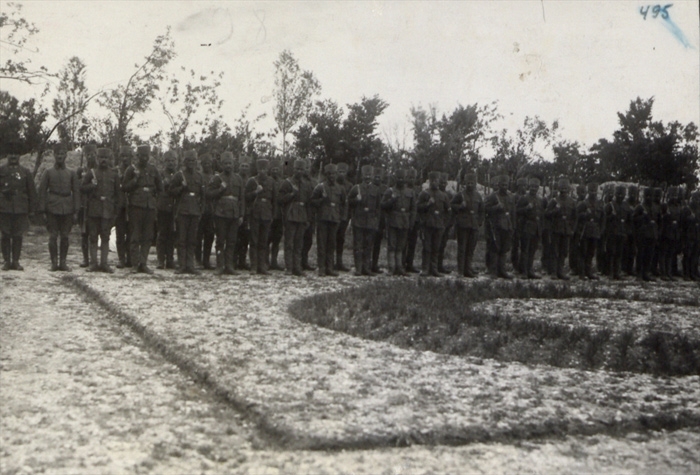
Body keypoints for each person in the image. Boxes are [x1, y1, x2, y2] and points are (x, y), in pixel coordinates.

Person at [38, 146, 80, 271]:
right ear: (54, 155)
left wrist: (76, 211)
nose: (60, 156)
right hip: (52, 207)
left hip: (67, 208)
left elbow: (76, 192)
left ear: (66, 155)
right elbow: (42, 191)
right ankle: (54, 263)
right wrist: (42, 210)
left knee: (65, 236)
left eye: (62, 154)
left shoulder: (71, 173)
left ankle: (63, 262)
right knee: (53, 236)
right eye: (57, 154)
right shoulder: (48, 172)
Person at [122, 144, 162, 274]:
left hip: (149, 206)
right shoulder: (131, 169)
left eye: (146, 155)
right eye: (141, 156)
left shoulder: (153, 170)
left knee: (148, 236)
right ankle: (135, 264)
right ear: (137, 156)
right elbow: (125, 187)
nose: (144, 158)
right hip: (136, 206)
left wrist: (154, 198)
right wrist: (135, 179)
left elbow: (160, 188)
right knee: (135, 236)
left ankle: (143, 263)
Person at [80, 147, 120, 273]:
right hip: (93, 211)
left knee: (105, 237)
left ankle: (104, 263)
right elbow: (82, 188)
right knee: (93, 237)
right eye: (101, 158)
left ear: (109, 159)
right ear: (97, 159)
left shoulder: (114, 174)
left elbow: (118, 195)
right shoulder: (91, 173)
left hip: (107, 211)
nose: (103, 160)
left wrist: (115, 212)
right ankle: (93, 263)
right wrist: (92, 185)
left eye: (106, 158)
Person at [207, 151, 245, 275]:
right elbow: (209, 194)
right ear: (222, 165)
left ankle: (229, 266)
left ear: (233, 164)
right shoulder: (217, 178)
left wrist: (241, 214)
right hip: (221, 213)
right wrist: (220, 189)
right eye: (226, 163)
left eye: (230, 163)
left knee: (232, 241)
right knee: (220, 240)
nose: (228, 165)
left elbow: (241, 198)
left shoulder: (238, 178)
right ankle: (220, 266)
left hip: (234, 213)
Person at [169, 150, 204, 275]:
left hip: (194, 211)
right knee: (182, 239)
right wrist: (181, 188)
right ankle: (182, 265)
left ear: (196, 162)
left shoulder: (199, 176)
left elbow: (202, 196)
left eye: (193, 161)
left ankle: (190, 265)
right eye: (188, 160)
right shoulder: (179, 175)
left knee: (192, 240)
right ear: (184, 162)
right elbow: (171, 191)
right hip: (182, 211)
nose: (191, 163)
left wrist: (201, 211)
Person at [0, 154, 37, 270]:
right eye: (10, 154)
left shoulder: (25, 172)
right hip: (4, 207)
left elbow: (32, 192)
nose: (13, 157)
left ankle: (15, 261)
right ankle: (6, 261)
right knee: (5, 234)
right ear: (7, 156)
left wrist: (32, 210)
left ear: (19, 157)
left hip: (20, 208)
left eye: (16, 154)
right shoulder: (1, 170)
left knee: (18, 235)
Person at [278, 158, 313, 276]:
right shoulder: (287, 183)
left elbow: (308, 203)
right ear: (294, 169)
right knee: (289, 243)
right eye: (297, 169)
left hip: (302, 215)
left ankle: (297, 268)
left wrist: (308, 218)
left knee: (299, 243)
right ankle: (289, 268)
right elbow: (280, 199)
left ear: (304, 171)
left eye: (301, 169)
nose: (299, 171)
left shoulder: (307, 184)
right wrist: (292, 194)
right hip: (291, 214)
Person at [310, 163, 345, 276]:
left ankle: (330, 268)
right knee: (322, 244)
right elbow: (312, 201)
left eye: (334, 174)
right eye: (329, 174)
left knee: (331, 244)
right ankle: (322, 268)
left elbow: (343, 204)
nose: (332, 176)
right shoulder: (320, 187)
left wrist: (341, 217)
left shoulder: (340, 188)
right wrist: (321, 200)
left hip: (334, 219)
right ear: (326, 174)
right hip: (323, 219)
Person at [381, 168, 416, 276]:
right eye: (399, 178)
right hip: (393, 221)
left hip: (405, 221)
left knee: (401, 246)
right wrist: (392, 200)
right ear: (395, 179)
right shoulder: (390, 191)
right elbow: (383, 205)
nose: (401, 180)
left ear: (405, 179)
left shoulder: (410, 192)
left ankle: (400, 268)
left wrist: (411, 222)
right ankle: (391, 268)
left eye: (403, 178)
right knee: (392, 245)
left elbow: (413, 209)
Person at [348, 165, 381, 276]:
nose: (367, 177)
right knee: (358, 246)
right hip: (359, 221)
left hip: (371, 222)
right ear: (362, 176)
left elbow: (378, 208)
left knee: (368, 246)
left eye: (369, 175)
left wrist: (376, 222)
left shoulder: (376, 190)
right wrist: (356, 200)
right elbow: (348, 202)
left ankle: (366, 268)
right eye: (365, 175)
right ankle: (358, 269)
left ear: (372, 176)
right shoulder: (356, 188)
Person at [451, 171, 484, 278]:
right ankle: (460, 270)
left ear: (475, 183)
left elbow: (482, 210)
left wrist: (479, 222)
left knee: (470, 249)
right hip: (463, 225)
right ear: (465, 183)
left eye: (472, 183)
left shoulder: (478, 196)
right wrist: (460, 206)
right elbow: (452, 205)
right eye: (468, 183)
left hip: (474, 225)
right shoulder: (460, 195)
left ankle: (468, 269)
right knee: (462, 248)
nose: (470, 185)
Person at [246, 158, 276, 274]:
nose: (262, 171)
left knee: (264, 241)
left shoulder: (271, 182)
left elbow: (274, 200)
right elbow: (246, 197)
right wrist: (255, 192)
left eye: (264, 169)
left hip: (267, 214)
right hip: (255, 213)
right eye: (260, 169)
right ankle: (253, 266)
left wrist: (272, 214)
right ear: (257, 169)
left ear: (267, 169)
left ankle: (262, 266)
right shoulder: (252, 181)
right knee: (254, 240)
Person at [416, 171, 450, 277]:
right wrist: (427, 204)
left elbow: (448, 211)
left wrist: (444, 224)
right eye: (433, 181)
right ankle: (425, 269)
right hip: (427, 225)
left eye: (437, 181)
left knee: (436, 247)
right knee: (427, 248)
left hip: (439, 225)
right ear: (430, 181)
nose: (435, 183)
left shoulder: (443, 195)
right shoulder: (424, 193)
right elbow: (418, 208)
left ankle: (434, 269)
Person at [484, 175, 516, 279]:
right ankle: (493, 271)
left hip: (507, 226)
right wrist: (496, 207)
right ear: (498, 185)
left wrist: (513, 226)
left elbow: (513, 212)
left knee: (504, 249)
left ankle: (502, 271)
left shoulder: (510, 197)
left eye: (506, 185)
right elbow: (485, 209)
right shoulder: (493, 196)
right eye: (502, 185)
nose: (504, 187)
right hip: (496, 226)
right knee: (494, 249)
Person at [546, 177, 577, 280]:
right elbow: (547, 214)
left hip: (566, 230)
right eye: (562, 188)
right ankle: (553, 272)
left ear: (568, 189)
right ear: (558, 188)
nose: (564, 190)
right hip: (556, 229)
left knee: (563, 251)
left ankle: (561, 271)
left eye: (566, 188)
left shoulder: (572, 202)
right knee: (554, 251)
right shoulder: (554, 201)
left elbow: (574, 217)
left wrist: (572, 229)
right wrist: (555, 210)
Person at [516, 177, 544, 279]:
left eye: (536, 187)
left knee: (532, 250)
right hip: (526, 227)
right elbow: (517, 211)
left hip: (536, 228)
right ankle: (523, 271)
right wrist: (526, 208)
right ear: (529, 187)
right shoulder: (524, 198)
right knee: (525, 250)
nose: (534, 188)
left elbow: (542, 214)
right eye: (532, 186)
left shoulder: (540, 200)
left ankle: (530, 270)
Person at [576, 182, 605, 280]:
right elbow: (576, 216)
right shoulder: (583, 203)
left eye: (594, 191)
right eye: (591, 191)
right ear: (588, 191)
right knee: (583, 252)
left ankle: (589, 272)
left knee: (591, 252)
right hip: (585, 230)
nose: (593, 193)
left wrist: (601, 230)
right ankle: (581, 273)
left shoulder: (600, 203)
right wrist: (585, 215)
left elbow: (603, 218)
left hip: (595, 231)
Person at [604, 185, 632, 280]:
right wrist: (611, 216)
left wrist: (627, 231)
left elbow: (629, 220)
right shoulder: (610, 205)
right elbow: (604, 219)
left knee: (619, 254)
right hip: (612, 232)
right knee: (611, 252)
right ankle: (610, 272)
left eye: (622, 194)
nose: (620, 196)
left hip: (622, 232)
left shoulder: (626, 205)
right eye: (618, 194)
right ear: (615, 194)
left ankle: (617, 272)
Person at [156, 150, 177, 269]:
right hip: (163, 207)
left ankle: (170, 259)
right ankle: (160, 260)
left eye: (173, 161)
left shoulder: (179, 175)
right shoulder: (160, 175)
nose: (171, 163)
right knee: (162, 234)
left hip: (174, 208)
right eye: (168, 161)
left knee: (172, 234)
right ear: (164, 162)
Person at [633, 187, 660, 282]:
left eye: (650, 196)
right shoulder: (640, 207)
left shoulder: (655, 207)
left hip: (652, 234)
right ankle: (639, 274)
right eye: (647, 196)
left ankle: (646, 273)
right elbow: (634, 220)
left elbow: (659, 220)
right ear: (644, 196)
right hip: (642, 234)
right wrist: (643, 217)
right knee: (641, 255)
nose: (649, 198)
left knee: (649, 255)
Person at [78, 144, 97, 268]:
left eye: (92, 155)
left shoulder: (98, 170)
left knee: (94, 233)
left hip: (94, 205)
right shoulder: (81, 170)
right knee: (84, 234)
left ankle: (94, 259)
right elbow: (78, 187)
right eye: (88, 155)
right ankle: (85, 258)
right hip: (83, 205)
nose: (90, 157)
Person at [196, 153, 216, 270]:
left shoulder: (215, 177)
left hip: (212, 209)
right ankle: (197, 259)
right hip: (200, 209)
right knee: (198, 235)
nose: (207, 165)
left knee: (209, 235)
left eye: (209, 163)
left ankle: (206, 260)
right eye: (205, 164)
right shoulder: (199, 176)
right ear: (202, 165)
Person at [115, 146, 133, 268]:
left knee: (132, 234)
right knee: (120, 234)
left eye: (127, 156)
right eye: (123, 156)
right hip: (119, 206)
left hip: (132, 206)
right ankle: (121, 258)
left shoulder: (134, 171)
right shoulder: (115, 171)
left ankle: (130, 258)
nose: (125, 159)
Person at [659, 186, 682, 281]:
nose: (674, 197)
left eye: (675, 195)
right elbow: (660, 219)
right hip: (665, 233)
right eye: (672, 195)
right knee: (663, 254)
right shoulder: (665, 206)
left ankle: (669, 273)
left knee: (671, 254)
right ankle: (663, 273)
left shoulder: (678, 206)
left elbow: (680, 219)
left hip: (674, 233)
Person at [334, 161, 352, 272]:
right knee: (331, 239)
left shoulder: (349, 185)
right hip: (333, 215)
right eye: (339, 171)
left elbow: (350, 202)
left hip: (344, 216)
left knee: (340, 239)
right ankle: (329, 262)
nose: (341, 174)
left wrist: (348, 216)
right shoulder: (332, 183)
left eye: (343, 172)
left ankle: (339, 262)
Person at [403, 167, 422, 273]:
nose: (411, 180)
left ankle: (409, 264)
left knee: (412, 243)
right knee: (403, 243)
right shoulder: (403, 189)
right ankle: (401, 264)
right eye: (409, 177)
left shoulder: (418, 190)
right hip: (405, 220)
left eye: (413, 178)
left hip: (416, 220)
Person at [267, 158, 285, 271]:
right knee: (267, 239)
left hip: (280, 214)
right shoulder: (267, 181)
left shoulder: (283, 182)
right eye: (273, 169)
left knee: (277, 239)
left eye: (277, 169)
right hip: (268, 214)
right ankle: (265, 261)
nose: (275, 171)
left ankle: (274, 261)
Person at [234, 157, 252, 270]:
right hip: (235, 210)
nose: (244, 168)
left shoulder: (251, 180)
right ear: (239, 166)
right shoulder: (235, 178)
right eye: (242, 166)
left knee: (245, 237)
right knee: (234, 237)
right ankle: (233, 261)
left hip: (247, 211)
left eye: (246, 166)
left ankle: (242, 261)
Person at [436, 172, 454, 274]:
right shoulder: (433, 193)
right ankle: (432, 266)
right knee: (434, 246)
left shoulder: (449, 195)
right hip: (435, 223)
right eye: (441, 183)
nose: (443, 184)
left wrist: (449, 224)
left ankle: (439, 266)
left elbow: (451, 211)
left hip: (444, 224)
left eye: (444, 183)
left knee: (442, 245)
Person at [301, 160, 317, 271]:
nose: (307, 169)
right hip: (301, 213)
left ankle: (304, 261)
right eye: (304, 167)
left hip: (312, 213)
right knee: (299, 239)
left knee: (308, 240)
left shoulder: (314, 182)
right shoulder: (299, 181)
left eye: (308, 167)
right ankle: (297, 262)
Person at [371, 166, 388, 273]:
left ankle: (374, 264)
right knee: (368, 243)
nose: (377, 179)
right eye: (375, 177)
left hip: (380, 219)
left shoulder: (385, 189)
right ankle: (366, 264)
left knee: (377, 243)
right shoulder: (369, 187)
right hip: (370, 218)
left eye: (379, 177)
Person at [680, 191, 700, 280]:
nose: (696, 201)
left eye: (697, 199)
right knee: (687, 255)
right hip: (688, 236)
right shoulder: (686, 209)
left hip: (697, 236)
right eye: (694, 199)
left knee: (695, 255)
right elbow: (682, 223)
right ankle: (686, 273)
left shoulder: (698, 210)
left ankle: (693, 272)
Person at [511, 176, 528, 274]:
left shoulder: (528, 196)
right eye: (523, 186)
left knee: (525, 246)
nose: (524, 188)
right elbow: (514, 210)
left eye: (525, 186)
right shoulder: (514, 197)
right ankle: (515, 266)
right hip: (517, 223)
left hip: (526, 225)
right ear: (518, 186)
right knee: (515, 245)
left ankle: (523, 266)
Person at [623, 185, 640, 277]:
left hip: (635, 231)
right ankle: (623, 268)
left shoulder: (638, 204)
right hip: (626, 230)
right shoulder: (625, 204)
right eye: (631, 194)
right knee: (625, 250)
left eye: (634, 194)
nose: (632, 196)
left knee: (633, 251)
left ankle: (630, 269)